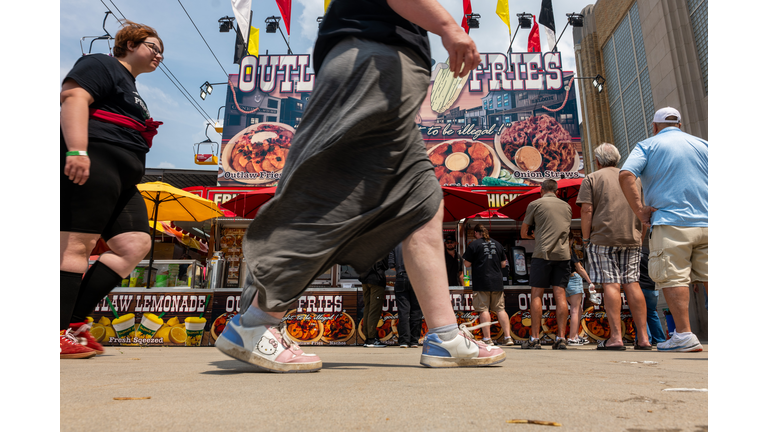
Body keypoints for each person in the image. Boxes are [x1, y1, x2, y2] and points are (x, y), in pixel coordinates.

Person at [214, 0, 505, 372]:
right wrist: (449, 26)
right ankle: (254, 324)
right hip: (371, 66)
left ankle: (445, 337)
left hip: (385, 75)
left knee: (424, 204)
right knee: (336, 199)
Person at [60, 21, 164, 359]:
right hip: (95, 161)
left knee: (135, 243)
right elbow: (74, 97)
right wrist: (77, 151)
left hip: (124, 177)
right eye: (153, 46)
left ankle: (75, 323)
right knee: (77, 246)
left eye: (162, 51)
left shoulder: (131, 86)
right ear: (130, 44)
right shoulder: (101, 63)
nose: (159, 54)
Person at [619, 107, 707, 352]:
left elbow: (626, 175)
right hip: (708, 221)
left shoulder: (648, 145)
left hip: (670, 222)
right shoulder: (703, 145)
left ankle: (684, 335)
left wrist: (639, 210)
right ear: (680, 125)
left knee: (674, 276)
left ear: (655, 126)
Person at [576, 143, 651, 351]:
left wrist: (585, 238)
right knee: (632, 283)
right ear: (618, 159)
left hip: (603, 237)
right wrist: (640, 236)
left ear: (597, 160)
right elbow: (643, 209)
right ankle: (643, 338)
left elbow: (586, 211)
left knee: (611, 284)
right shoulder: (633, 177)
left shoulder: (591, 178)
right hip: (632, 237)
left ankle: (616, 337)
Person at [520, 179, 572, 350]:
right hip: (563, 255)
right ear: (557, 191)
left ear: (541, 190)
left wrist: (534, 237)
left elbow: (523, 232)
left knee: (536, 295)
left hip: (542, 254)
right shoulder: (567, 207)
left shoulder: (535, 204)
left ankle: (535, 338)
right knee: (560, 295)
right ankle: (561, 338)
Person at [462, 224, 513, 346]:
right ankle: (508, 337)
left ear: (475, 233)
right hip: (497, 282)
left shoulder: (474, 245)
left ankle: (487, 338)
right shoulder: (498, 244)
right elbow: (503, 265)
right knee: (501, 309)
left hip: (482, 282)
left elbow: (467, 264)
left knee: (484, 310)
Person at [389, 244, 422, 348]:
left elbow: (391, 265)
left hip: (401, 277)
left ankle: (404, 341)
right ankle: (414, 341)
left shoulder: (395, 244)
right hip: (416, 277)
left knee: (403, 311)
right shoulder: (418, 242)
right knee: (416, 311)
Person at [565, 231, 593, 346]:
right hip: (573, 279)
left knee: (578, 310)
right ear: (570, 240)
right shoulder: (570, 251)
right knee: (575, 310)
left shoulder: (557, 252)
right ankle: (572, 337)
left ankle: (575, 335)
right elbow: (580, 268)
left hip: (563, 282)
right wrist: (590, 282)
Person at [639, 234, 667, 345]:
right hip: (652, 286)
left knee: (639, 314)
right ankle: (660, 339)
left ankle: (645, 339)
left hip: (638, 286)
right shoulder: (647, 251)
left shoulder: (629, 253)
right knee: (652, 313)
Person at [359, 258, 390, 348]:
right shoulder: (381, 248)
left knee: (367, 309)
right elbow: (385, 265)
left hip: (364, 279)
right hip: (376, 280)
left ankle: (368, 339)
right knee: (374, 310)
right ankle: (372, 339)